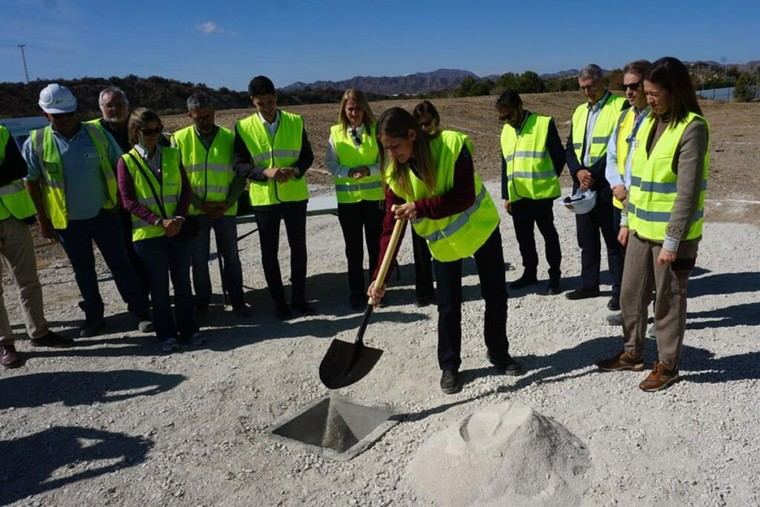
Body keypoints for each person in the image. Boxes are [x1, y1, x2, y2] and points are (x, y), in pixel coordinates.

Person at [368, 107, 522, 395]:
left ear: (412, 134)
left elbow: (463, 196)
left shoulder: (451, 146)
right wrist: (381, 277)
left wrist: (419, 207)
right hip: (444, 245)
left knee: (495, 294)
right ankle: (449, 366)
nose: (391, 154)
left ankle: (499, 353)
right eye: (386, 148)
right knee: (448, 306)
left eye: (395, 146)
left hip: (481, 229)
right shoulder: (394, 171)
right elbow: (390, 227)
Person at [596, 57, 709, 392]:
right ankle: (632, 354)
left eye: (655, 93)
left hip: (672, 238)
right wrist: (626, 219)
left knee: (668, 302)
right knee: (631, 295)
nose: (649, 98)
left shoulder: (692, 127)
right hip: (641, 230)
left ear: (675, 91)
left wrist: (673, 242)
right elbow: (638, 180)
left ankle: (667, 365)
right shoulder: (646, 121)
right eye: (646, 92)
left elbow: (686, 192)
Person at [23, 83, 151, 338]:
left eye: (70, 114)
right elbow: (32, 182)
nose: (66, 120)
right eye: (58, 116)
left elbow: (120, 165)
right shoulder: (36, 141)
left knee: (121, 264)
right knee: (83, 270)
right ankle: (94, 317)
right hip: (68, 221)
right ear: (45, 114)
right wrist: (43, 220)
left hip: (104, 213)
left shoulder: (97, 134)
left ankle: (141, 313)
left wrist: (122, 200)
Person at [117, 108, 199, 352]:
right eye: (148, 131)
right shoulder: (126, 162)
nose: (154, 135)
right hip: (149, 236)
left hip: (178, 230)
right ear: (134, 132)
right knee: (159, 289)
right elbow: (127, 200)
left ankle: (190, 330)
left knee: (184, 284)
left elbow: (185, 190)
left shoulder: (172, 155)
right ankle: (166, 334)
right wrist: (157, 221)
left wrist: (179, 218)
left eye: (157, 130)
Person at [233, 75, 315, 320]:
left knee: (298, 248)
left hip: (294, 195)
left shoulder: (295, 121)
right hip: (264, 199)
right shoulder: (243, 127)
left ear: (276, 97)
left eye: (270, 102)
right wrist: (264, 172)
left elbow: (307, 156)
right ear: (253, 102)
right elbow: (238, 164)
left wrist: (296, 170)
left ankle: (299, 298)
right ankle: (279, 302)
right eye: (261, 104)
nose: (267, 108)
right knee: (269, 253)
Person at [0, 124, 72, 367]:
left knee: (27, 280)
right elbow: (8, 170)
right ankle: (5, 343)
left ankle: (38, 332)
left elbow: (17, 167)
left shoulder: (1, 132)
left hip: (13, 217)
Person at [172, 93, 249, 317]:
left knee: (231, 257)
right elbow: (178, 177)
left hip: (225, 209)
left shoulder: (230, 137)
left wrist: (227, 202)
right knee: (198, 259)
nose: (205, 121)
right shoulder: (178, 139)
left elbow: (239, 174)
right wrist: (199, 204)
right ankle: (203, 302)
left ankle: (237, 300)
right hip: (196, 211)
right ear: (190, 115)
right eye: (199, 117)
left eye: (209, 115)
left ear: (215, 112)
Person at [565, 65, 628, 310]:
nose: (587, 92)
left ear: (603, 82)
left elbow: (618, 147)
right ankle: (589, 284)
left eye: (590, 86)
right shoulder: (579, 111)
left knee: (613, 240)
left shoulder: (619, 107)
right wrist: (578, 171)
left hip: (605, 184)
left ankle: (619, 290)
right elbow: (570, 147)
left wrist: (593, 173)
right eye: (582, 88)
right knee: (586, 238)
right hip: (582, 185)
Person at [86, 86, 152, 299]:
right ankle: (138, 302)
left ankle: (154, 294)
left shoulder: (140, 127)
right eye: (109, 105)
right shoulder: (91, 132)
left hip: (145, 202)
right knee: (124, 256)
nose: (115, 109)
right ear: (101, 108)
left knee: (148, 252)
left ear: (128, 106)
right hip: (112, 206)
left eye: (120, 105)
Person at [496, 90, 565, 295]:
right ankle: (530, 273)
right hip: (518, 195)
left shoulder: (543, 124)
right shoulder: (507, 130)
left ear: (520, 107)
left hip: (541, 196)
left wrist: (546, 179)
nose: (506, 121)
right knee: (523, 238)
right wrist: (506, 195)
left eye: (509, 116)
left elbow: (558, 157)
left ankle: (555, 276)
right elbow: (505, 165)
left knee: (548, 236)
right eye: (502, 118)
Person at [325, 89, 384, 310]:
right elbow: (330, 163)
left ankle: (377, 290)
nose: (354, 113)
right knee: (354, 250)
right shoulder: (335, 133)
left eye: (358, 108)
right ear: (344, 109)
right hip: (348, 201)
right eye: (350, 108)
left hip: (374, 198)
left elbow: (386, 163)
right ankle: (356, 293)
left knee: (376, 247)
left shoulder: (376, 131)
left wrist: (369, 170)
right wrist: (346, 172)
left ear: (365, 108)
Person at [604, 60, 652, 326]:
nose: (629, 92)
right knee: (627, 259)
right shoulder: (624, 116)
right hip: (620, 198)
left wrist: (628, 189)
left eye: (635, 86)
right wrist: (617, 184)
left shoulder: (657, 118)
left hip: (643, 202)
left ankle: (659, 316)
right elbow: (612, 156)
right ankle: (630, 310)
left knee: (653, 266)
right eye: (626, 87)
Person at [408, 101, 440, 307]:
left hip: (441, 206)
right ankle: (424, 292)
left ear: (436, 120)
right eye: (419, 126)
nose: (424, 129)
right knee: (420, 253)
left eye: (427, 124)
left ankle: (446, 289)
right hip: (418, 208)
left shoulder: (445, 143)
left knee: (444, 251)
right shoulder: (411, 148)